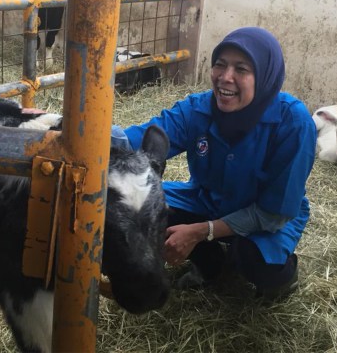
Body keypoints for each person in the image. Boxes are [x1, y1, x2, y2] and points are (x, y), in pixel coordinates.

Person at [115, 26, 317, 300]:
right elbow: (137, 139)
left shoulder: (293, 122)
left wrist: (200, 232)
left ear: (265, 76)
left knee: (256, 263)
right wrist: (72, 132)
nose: (225, 77)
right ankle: (209, 264)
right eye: (219, 65)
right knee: (144, 211)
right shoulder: (197, 108)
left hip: (266, 215)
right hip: (206, 200)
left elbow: (274, 213)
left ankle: (282, 278)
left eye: (242, 69)